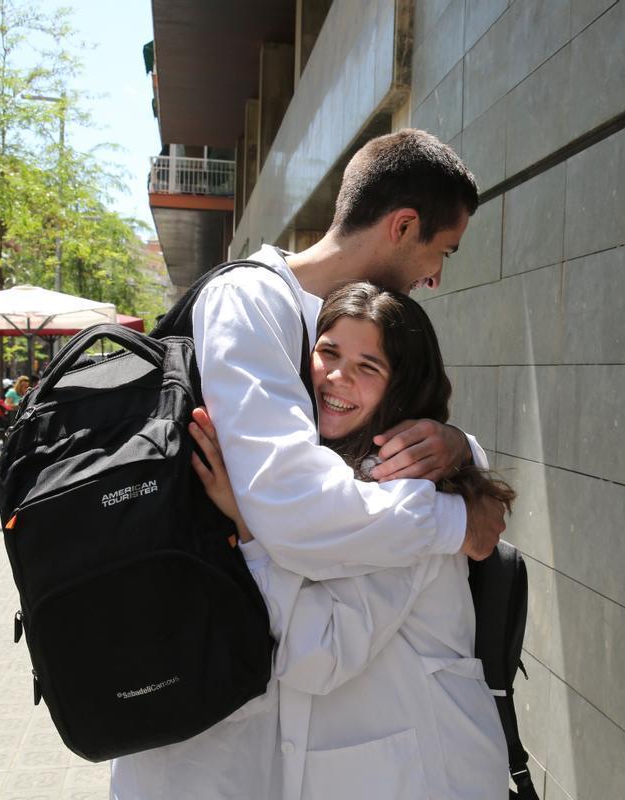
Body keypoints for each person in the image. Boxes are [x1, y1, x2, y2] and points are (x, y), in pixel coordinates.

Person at [110, 129, 506, 797]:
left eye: (365, 367)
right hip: (201, 712)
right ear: (403, 225)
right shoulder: (253, 304)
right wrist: (454, 518)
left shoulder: (330, 320)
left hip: (276, 718)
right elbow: (298, 513)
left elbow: (379, 454)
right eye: (440, 252)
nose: (436, 276)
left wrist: (462, 452)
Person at [193, 283, 513, 799]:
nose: (338, 378)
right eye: (328, 352)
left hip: (426, 773)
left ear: (402, 387)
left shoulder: (397, 487)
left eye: (370, 367)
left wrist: (249, 528)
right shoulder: (324, 473)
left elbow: (319, 655)